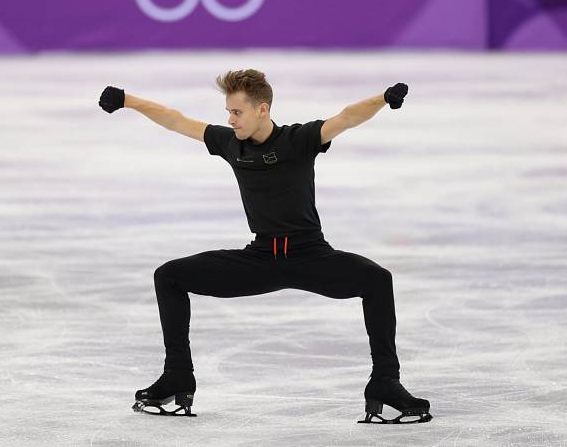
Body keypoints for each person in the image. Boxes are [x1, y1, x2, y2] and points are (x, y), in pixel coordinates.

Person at [98, 69, 432, 424]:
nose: (230, 119)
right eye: (228, 112)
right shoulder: (231, 144)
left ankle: (384, 382)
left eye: (236, 112)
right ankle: (178, 374)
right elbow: (176, 120)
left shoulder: (298, 140)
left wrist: (383, 98)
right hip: (260, 258)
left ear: (262, 109)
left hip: (310, 256)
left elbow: (347, 117)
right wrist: (128, 101)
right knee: (169, 276)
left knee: (377, 280)